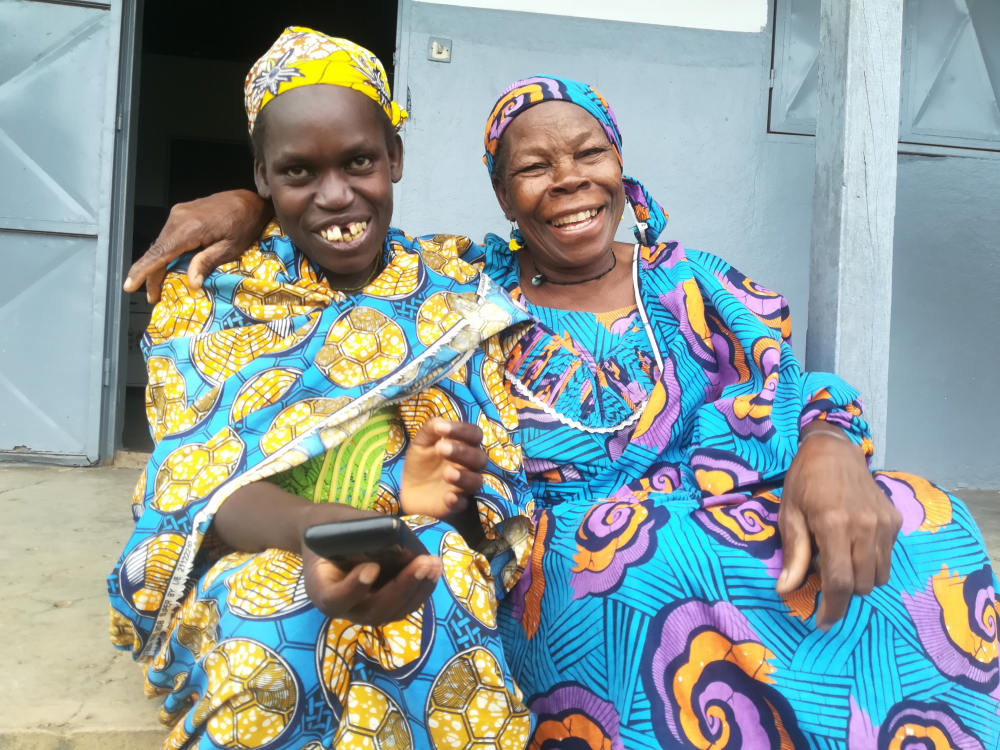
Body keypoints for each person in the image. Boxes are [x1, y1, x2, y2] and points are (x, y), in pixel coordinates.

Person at [126, 75, 1000, 748]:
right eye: (533, 168)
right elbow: (332, 224)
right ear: (503, 199)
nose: (569, 182)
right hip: (570, 536)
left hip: (738, 494)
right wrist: (237, 205)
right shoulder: (464, 288)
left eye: (588, 154)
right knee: (656, 564)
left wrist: (827, 445)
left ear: (620, 162)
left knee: (926, 516)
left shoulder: (697, 280)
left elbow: (791, 381)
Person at [109, 29, 537, 750]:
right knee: (264, 633)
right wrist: (325, 531)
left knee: (441, 592)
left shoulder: (455, 289)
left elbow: (479, 508)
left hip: (415, 542)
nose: (337, 196)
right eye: (298, 172)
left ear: (394, 159)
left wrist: (429, 493)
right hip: (264, 547)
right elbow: (202, 491)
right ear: (263, 177)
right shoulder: (213, 294)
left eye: (360, 162)